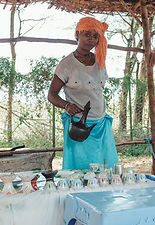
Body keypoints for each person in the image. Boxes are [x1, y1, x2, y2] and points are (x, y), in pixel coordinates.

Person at [48, 17, 119, 170]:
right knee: (79, 171)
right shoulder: (67, 64)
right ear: (77, 35)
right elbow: (52, 94)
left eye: (95, 36)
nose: (91, 39)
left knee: (106, 170)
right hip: (78, 126)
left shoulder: (100, 61)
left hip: (101, 125)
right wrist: (67, 105)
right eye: (87, 34)